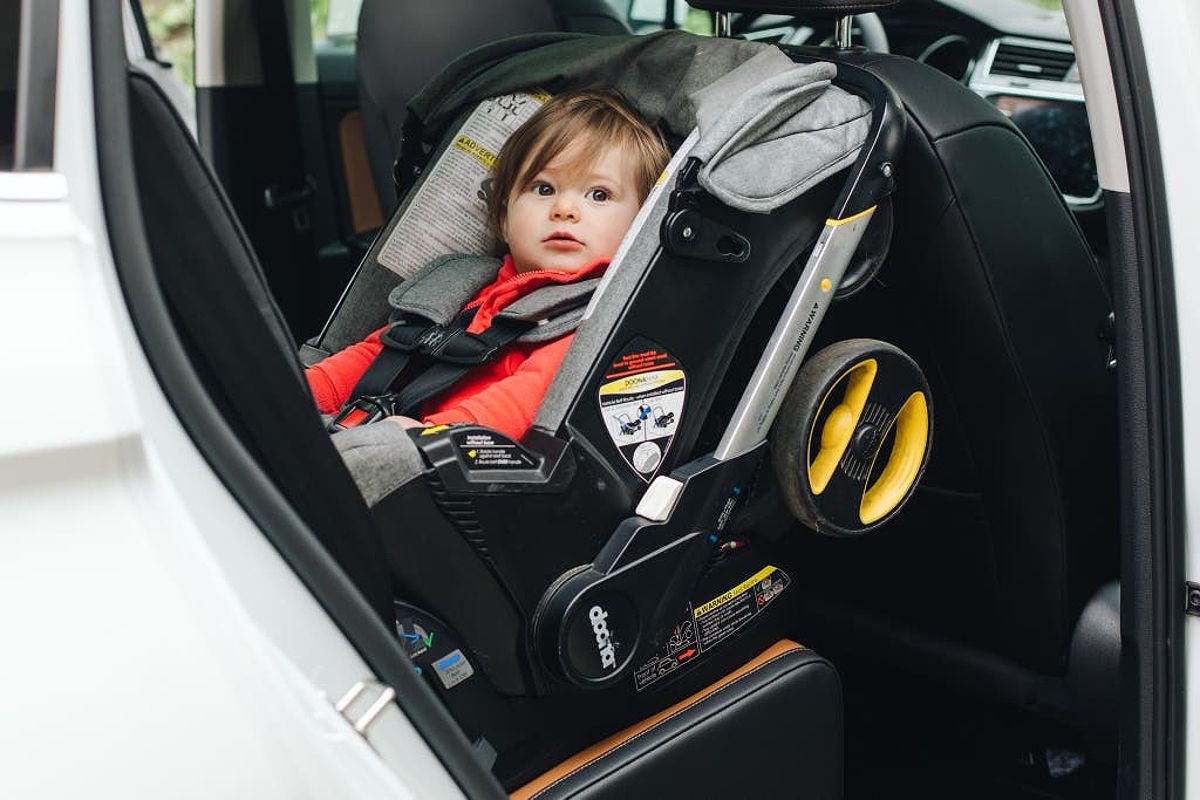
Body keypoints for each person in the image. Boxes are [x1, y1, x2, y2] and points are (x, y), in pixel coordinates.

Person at [306, 89, 671, 440]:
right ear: (503, 216)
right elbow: (382, 352)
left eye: (599, 194)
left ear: (641, 222)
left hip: (462, 463)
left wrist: (425, 438)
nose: (565, 209)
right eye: (543, 188)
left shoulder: (594, 322)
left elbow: (521, 403)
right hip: (382, 434)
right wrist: (301, 392)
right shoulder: (461, 287)